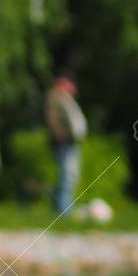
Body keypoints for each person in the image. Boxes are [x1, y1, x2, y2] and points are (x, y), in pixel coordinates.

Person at [45, 73, 87, 214]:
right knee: (67, 175)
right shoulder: (56, 98)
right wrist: (60, 134)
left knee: (70, 175)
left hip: (70, 142)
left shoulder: (64, 99)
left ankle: (64, 207)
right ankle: (64, 209)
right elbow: (53, 120)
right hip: (65, 142)